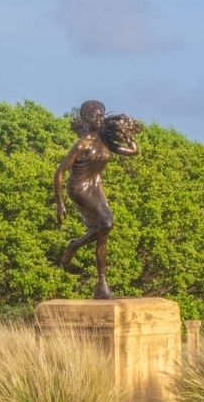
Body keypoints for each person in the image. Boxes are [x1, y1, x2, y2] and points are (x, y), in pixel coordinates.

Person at [54, 100, 141, 299]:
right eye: (95, 116)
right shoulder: (82, 144)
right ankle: (74, 245)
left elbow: (134, 151)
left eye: (101, 115)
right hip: (79, 188)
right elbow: (59, 173)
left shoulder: (104, 139)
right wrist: (60, 204)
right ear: (85, 119)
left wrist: (128, 135)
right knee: (107, 223)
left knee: (102, 234)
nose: (100, 120)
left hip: (96, 187)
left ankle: (102, 285)